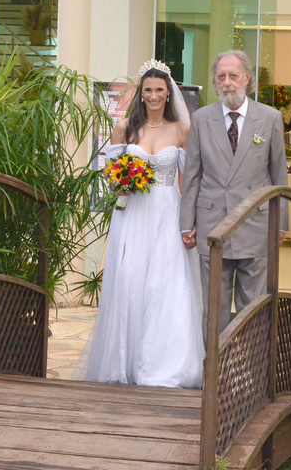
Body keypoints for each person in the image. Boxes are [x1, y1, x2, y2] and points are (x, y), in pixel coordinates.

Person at [76, 60, 204, 388]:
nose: (153, 95)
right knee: (131, 281)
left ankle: (166, 365)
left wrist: (190, 222)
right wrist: (121, 181)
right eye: (148, 90)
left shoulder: (181, 130)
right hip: (132, 213)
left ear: (169, 91)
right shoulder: (126, 129)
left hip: (166, 210)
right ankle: (124, 362)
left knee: (165, 284)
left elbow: (188, 180)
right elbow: (108, 173)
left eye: (159, 90)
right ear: (141, 93)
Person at [181, 50, 288, 336]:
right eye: (221, 77)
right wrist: (185, 223)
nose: (227, 82)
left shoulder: (270, 118)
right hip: (212, 223)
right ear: (215, 82)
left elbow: (279, 175)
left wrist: (281, 224)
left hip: (255, 225)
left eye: (233, 76)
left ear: (247, 78)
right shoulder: (202, 119)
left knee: (252, 306)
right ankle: (214, 370)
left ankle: (247, 371)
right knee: (212, 307)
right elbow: (192, 174)